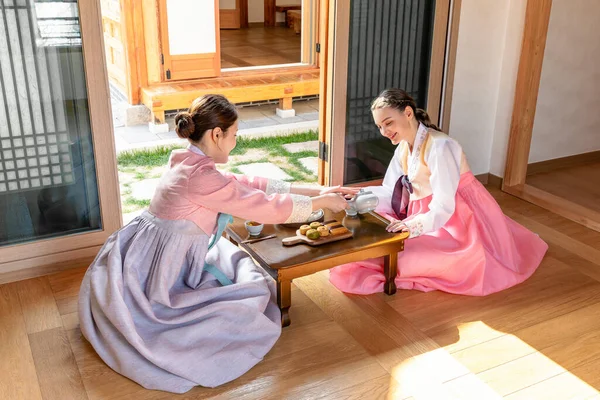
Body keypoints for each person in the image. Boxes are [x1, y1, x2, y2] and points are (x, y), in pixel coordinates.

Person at [78, 94, 355, 394]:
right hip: (156, 267)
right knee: (246, 301)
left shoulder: (188, 160)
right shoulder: (201, 178)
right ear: (216, 134)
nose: (236, 142)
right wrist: (320, 202)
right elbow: (263, 205)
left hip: (145, 247)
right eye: (234, 135)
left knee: (240, 269)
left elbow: (248, 183)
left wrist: (320, 189)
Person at [330, 89, 548, 296]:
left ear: (407, 113)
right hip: (428, 217)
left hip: (460, 221)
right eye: (379, 126)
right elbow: (390, 190)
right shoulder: (404, 148)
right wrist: (359, 198)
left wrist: (410, 226)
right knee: (378, 251)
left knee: (403, 260)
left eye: (388, 123)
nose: (384, 132)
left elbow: (444, 206)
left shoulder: (440, 147)